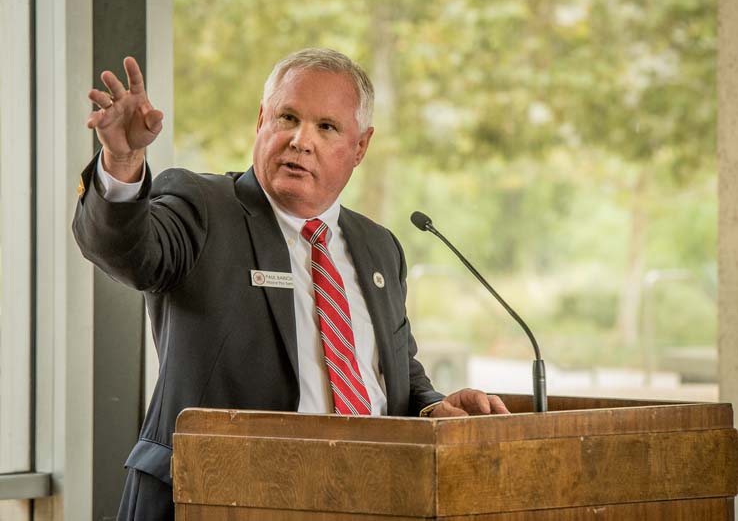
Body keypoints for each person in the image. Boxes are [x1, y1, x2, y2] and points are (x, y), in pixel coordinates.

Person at [73, 48, 509, 521]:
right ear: (262, 120)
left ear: (360, 147)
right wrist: (123, 161)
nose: (301, 140)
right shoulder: (201, 207)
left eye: (326, 127)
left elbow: (393, 373)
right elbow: (127, 252)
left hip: (369, 499)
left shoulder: (378, 246)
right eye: (288, 117)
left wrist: (434, 408)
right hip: (223, 498)